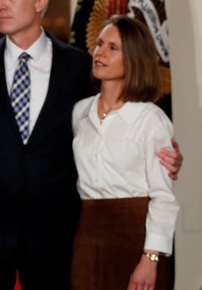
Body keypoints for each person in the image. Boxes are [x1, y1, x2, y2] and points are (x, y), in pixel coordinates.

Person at [0, 0, 182, 289]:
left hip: (59, 238)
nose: (0, 5)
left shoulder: (81, 67)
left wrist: (165, 157)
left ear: (40, 2)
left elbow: (116, 129)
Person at [70, 15, 178, 290]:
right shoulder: (80, 112)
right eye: (99, 44)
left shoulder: (151, 119)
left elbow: (163, 197)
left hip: (136, 237)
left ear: (133, 59)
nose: (100, 53)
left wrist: (150, 258)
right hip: (87, 235)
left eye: (112, 48)